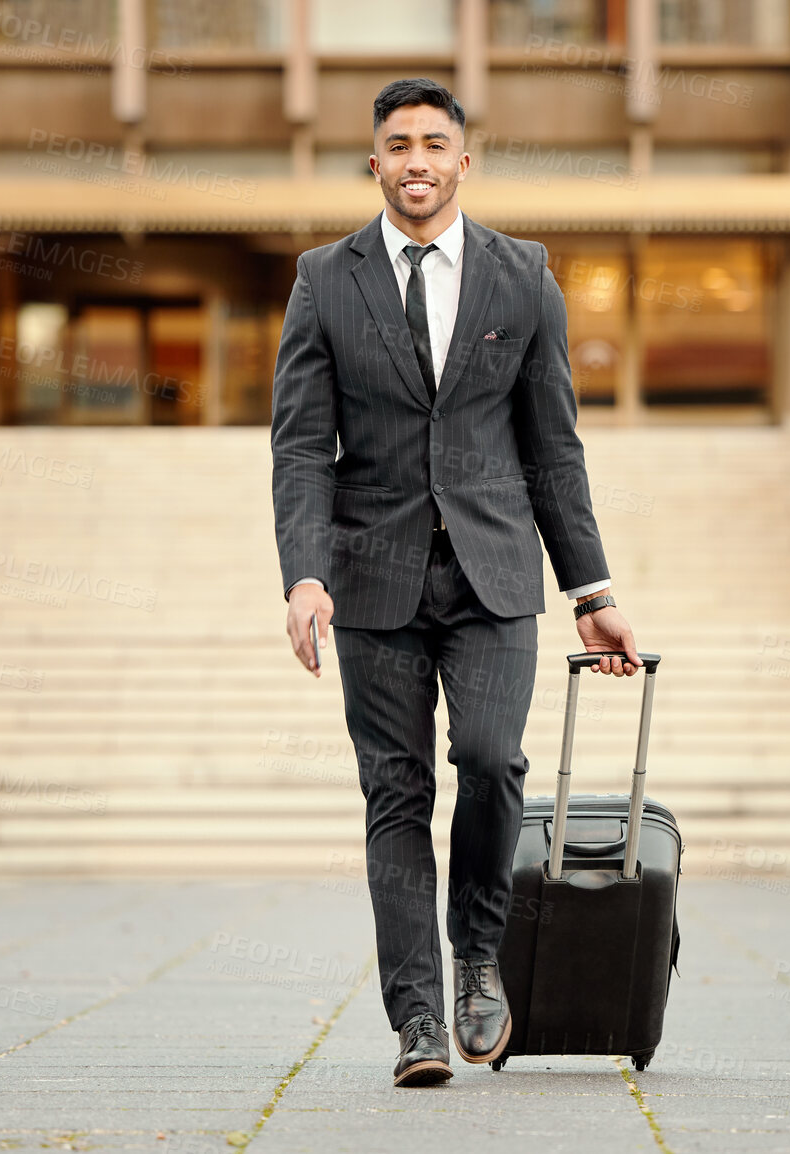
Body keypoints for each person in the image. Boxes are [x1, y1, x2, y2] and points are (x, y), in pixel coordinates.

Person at [270, 77, 642, 1088]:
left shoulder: (524, 274)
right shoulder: (323, 278)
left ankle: (478, 954)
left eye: (437, 143)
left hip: (492, 570)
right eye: (400, 144)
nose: (419, 161)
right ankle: (419, 1017)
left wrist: (591, 588)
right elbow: (302, 444)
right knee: (394, 794)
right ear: (376, 160)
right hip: (371, 581)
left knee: (490, 759)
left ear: (463, 161)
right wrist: (304, 573)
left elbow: (552, 446)